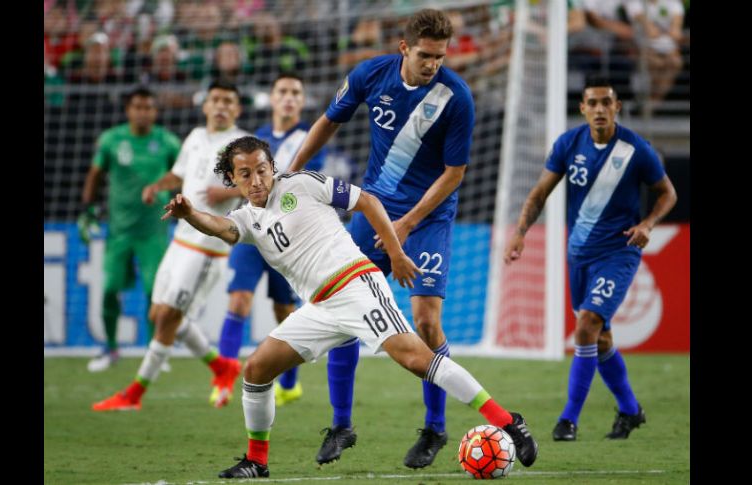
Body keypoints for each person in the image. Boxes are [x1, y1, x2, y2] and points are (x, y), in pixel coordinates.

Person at [161, 135, 538, 478]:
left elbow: (369, 202)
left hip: (356, 285)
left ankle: (508, 422)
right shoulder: (246, 219)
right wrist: (190, 213)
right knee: (257, 369)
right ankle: (257, 461)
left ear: (272, 167)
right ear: (233, 179)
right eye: (245, 174)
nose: (257, 180)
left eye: (262, 170)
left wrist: (396, 252)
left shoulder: (302, 184)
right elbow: (219, 226)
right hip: (320, 307)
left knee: (415, 359)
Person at [288, 8, 473, 468]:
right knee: (342, 312)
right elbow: (329, 121)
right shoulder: (371, 74)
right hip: (371, 213)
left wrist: (408, 223)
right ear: (404, 48)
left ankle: (434, 429)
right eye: (426, 56)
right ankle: (341, 425)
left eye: (440, 57)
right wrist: (291, 172)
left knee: (426, 323)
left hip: (427, 219)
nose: (433, 65)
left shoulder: (457, 97)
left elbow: (454, 174)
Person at [503, 76, 677, 441]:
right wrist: (519, 233)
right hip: (578, 253)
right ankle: (631, 410)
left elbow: (667, 194)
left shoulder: (635, 149)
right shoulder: (569, 144)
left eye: (606, 103)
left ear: (617, 108)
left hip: (619, 252)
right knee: (600, 340)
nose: (599, 109)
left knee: (586, 325)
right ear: (582, 108)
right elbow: (538, 195)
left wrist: (648, 223)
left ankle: (568, 420)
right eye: (592, 103)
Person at [91, 80, 250, 412]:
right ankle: (222, 366)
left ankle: (134, 394)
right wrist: (156, 185)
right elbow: (179, 175)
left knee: (167, 319)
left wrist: (230, 191)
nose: (221, 106)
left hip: (208, 246)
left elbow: (260, 186)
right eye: (216, 100)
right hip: (180, 240)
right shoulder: (193, 137)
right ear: (205, 105)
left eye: (228, 101)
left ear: (237, 109)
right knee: (157, 313)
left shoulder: (241, 145)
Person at [215, 73, 326, 408]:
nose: (289, 97)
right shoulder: (254, 140)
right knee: (238, 302)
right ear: (272, 98)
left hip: (287, 239)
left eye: (295, 92)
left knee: (285, 311)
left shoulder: (312, 139)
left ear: (302, 101)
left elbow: (295, 185)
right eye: (282, 92)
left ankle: (290, 384)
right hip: (253, 233)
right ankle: (221, 382)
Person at [80, 86, 181, 372]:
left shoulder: (168, 142)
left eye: (148, 107)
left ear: (155, 111)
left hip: (153, 232)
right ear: (128, 110)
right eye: (137, 106)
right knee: (110, 288)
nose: (143, 112)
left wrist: (173, 196)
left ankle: (154, 352)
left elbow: (180, 176)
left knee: (154, 292)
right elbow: (95, 174)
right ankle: (110, 348)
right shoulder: (111, 140)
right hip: (119, 232)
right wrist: (87, 209)